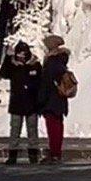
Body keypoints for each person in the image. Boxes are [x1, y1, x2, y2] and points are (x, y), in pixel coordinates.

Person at [0, 41, 41, 166]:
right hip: (16, 103)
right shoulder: (12, 65)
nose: (21, 57)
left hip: (32, 103)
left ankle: (33, 156)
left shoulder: (35, 65)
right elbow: (3, 74)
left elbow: (40, 82)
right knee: (15, 130)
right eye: (19, 54)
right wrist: (7, 57)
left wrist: (33, 89)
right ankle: (12, 156)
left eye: (23, 54)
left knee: (32, 130)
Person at [37, 34, 72, 163]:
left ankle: (54, 154)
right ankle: (56, 152)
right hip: (60, 101)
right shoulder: (61, 61)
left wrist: (40, 101)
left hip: (51, 102)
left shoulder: (51, 63)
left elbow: (46, 85)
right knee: (58, 126)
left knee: (53, 128)